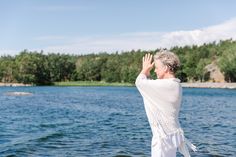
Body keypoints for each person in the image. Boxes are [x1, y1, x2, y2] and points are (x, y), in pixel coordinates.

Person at [135, 50, 197, 157]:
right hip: (171, 136)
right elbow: (152, 88)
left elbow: (139, 82)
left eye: (157, 67)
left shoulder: (166, 85)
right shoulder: (175, 84)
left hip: (162, 138)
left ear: (166, 68)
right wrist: (147, 74)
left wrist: (145, 69)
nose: (155, 70)